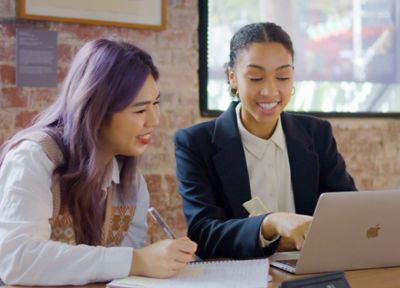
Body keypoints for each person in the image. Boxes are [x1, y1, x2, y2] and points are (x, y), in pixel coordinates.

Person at [0, 39, 197, 286]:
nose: (154, 120)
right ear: (96, 111)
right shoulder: (33, 158)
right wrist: (136, 260)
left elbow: (120, 277)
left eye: (156, 104)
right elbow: (17, 260)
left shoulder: (131, 181)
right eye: (139, 110)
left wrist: (146, 263)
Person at [174, 22, 356, 260]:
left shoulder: (316, 133)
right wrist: (269, 224)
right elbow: (203, 233)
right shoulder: (196, 143)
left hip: (308, 271)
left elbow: (347, 210)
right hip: (239, 275)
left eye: (282, 76)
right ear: (232, 78)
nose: (270, 91)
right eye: (256, 77)